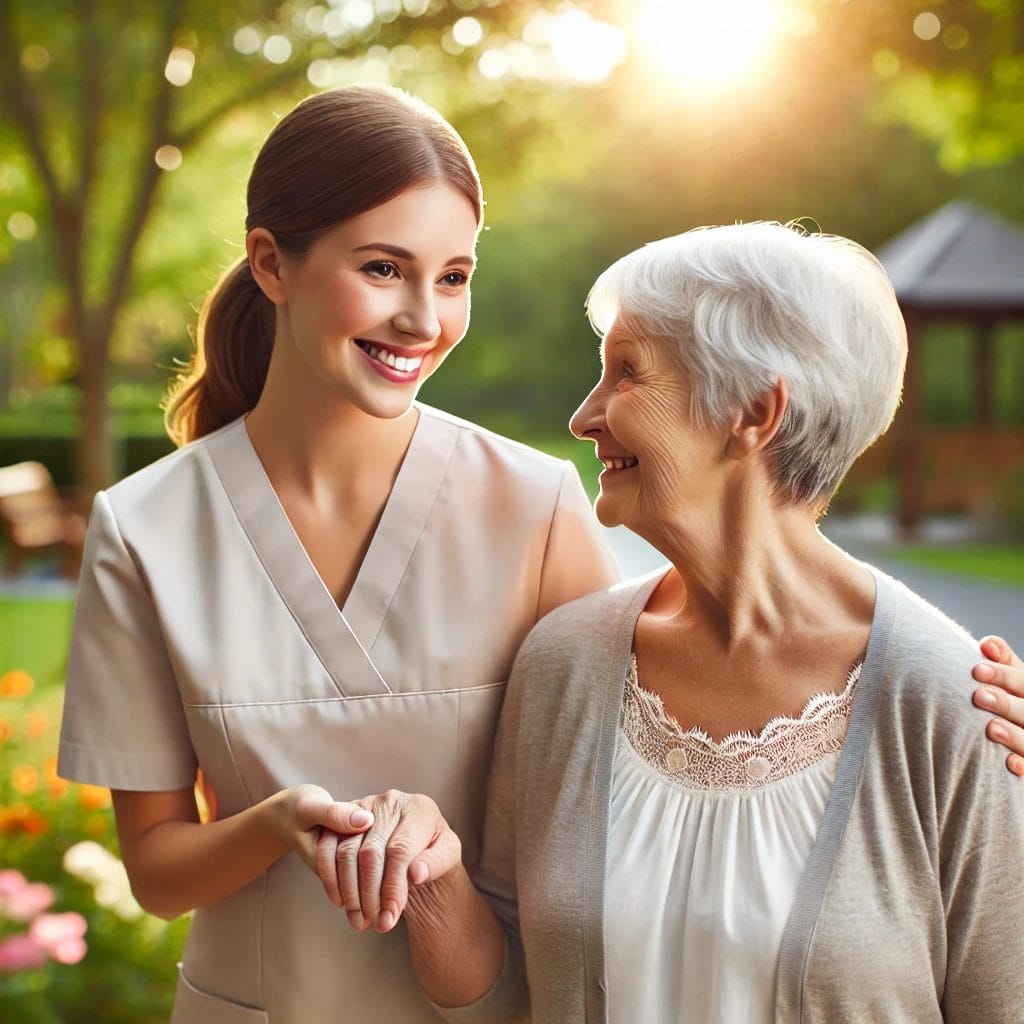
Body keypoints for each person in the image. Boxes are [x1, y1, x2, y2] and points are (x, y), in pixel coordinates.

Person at [323, 223, 1024, 1023]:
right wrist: (435, 876)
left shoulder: (957, 704)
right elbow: (509, 998)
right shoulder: (565, 665)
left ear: (753, 411)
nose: (585, 418)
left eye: (627, 374)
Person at [56, 84, 618, 1022]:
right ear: (272, 263)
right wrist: (277, 825)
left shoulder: (538, 506)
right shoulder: (144, 530)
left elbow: (623, 792)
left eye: (452, 277)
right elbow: (155, 870)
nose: (424, 319)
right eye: (385, 268)